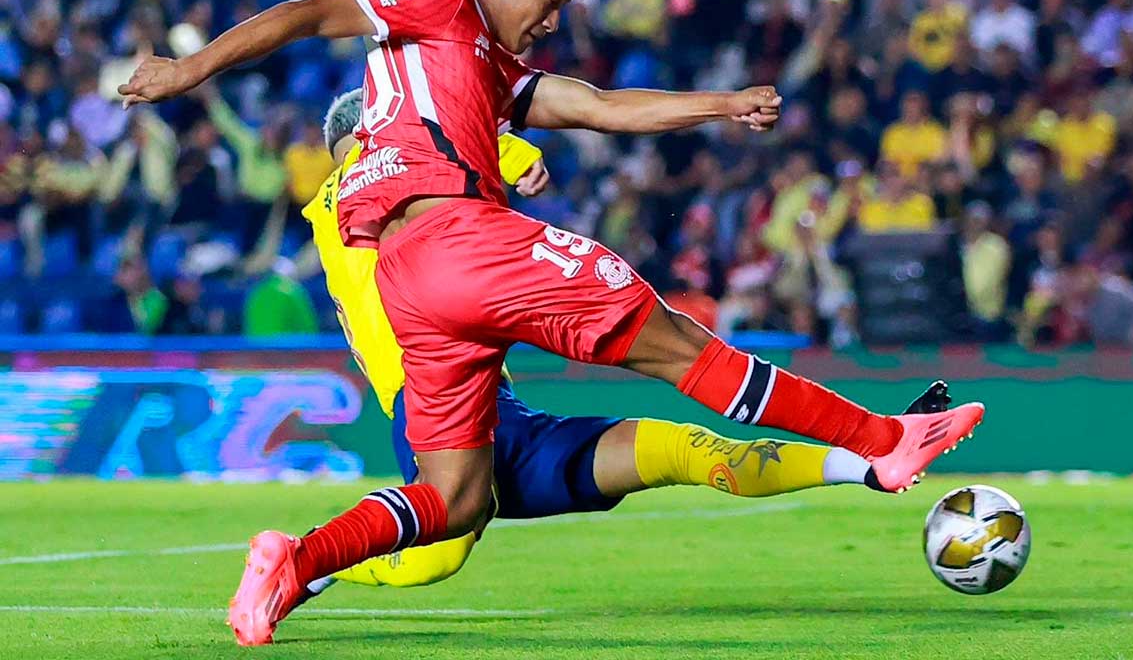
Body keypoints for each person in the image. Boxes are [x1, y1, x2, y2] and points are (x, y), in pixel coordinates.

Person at [120, 0, 984, 646]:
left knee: (457, 499)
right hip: (466, 240)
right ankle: (884, 441)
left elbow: (602, 106)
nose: (557, 17)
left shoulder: (485, 66)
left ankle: (295, 562)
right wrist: (189, 70)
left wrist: (720, 103)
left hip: (414, 283)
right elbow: (312, 13)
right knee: (679, 345)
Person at [302, 86, 955, 601]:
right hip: (431, 412)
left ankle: (865, 462)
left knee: (683, 450)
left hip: (495, 407)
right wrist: (514, 154)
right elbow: (480, 121)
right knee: (438, 553)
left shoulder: (339, 210)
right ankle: (313, 561)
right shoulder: (387, 170)